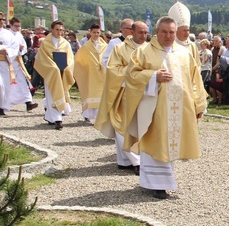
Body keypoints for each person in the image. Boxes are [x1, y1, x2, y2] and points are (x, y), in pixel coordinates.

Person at [122, 16, 207, 199]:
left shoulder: (184, 53)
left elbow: (195, 80)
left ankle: (160, 182)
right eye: (164, 32)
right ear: (157, 32)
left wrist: (199, 104)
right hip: (155, 109)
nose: (168, 36)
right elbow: (131, 76)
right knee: (156, 142)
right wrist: (153, 77)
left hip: (179, 108)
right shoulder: (144, 52)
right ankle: (156, 184)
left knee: (171, 145)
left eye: (171, 32)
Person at [94, 21, 148, 174]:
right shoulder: (120, 48)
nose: (143, 36)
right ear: (132, 32)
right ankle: (134, 161)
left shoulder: (149, 49)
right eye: (140, 32)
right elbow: (112, 69)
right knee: (123, 126)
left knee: (141, 126)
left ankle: (126, 160)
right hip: (125, 93)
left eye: (146, 33)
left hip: (144, 93)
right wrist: (136, 73)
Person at [33, 20, 75, 130]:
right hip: (51, 73)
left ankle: (50, 117)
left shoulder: (65, 43)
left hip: (62, 73)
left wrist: (67, 67)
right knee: (52, 95)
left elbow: (70, 58)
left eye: (61, 30)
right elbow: (43, 58)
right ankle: (57, 119)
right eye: (57, 29)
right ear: (52, 29)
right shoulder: (46, 43)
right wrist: (54, 68)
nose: (59, 32)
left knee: (60, 93)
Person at [0, 16, 38, 115]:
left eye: (19, 27)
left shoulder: (13, 35)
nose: (18, 28)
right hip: (6, 62)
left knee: (21, 82)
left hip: (14, 61)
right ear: (11, 25)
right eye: (16, 26)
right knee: (2, 85)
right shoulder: (9, 33)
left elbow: (21, 47)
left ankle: (28, 102)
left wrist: (19, 49)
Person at [74, 23, 107, 121]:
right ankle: (87, 115)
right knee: (90, 92)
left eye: (98, 32)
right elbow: (79, 59)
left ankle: (99, 116)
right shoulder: (86, 46)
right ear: (90, 32)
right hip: (91, 73)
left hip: (102, 73)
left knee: (101, 94)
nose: (96, 34)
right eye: (94, 32)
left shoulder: (105, 45)